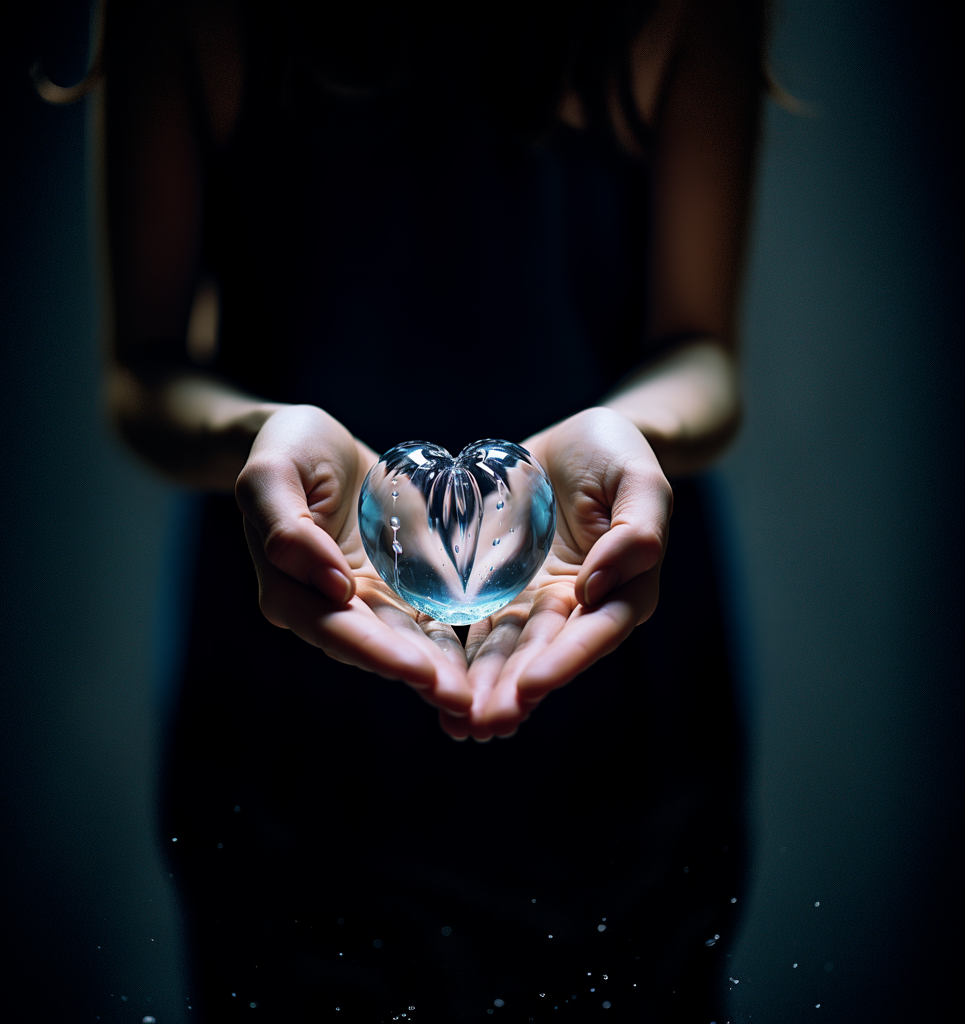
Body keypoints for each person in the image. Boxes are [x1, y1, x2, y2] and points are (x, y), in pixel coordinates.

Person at [92, 0, 767, 1018]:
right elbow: (141, 374)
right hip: (296, 681)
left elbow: (701, 348)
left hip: (608, 667)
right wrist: (259, 434)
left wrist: (634, 432)